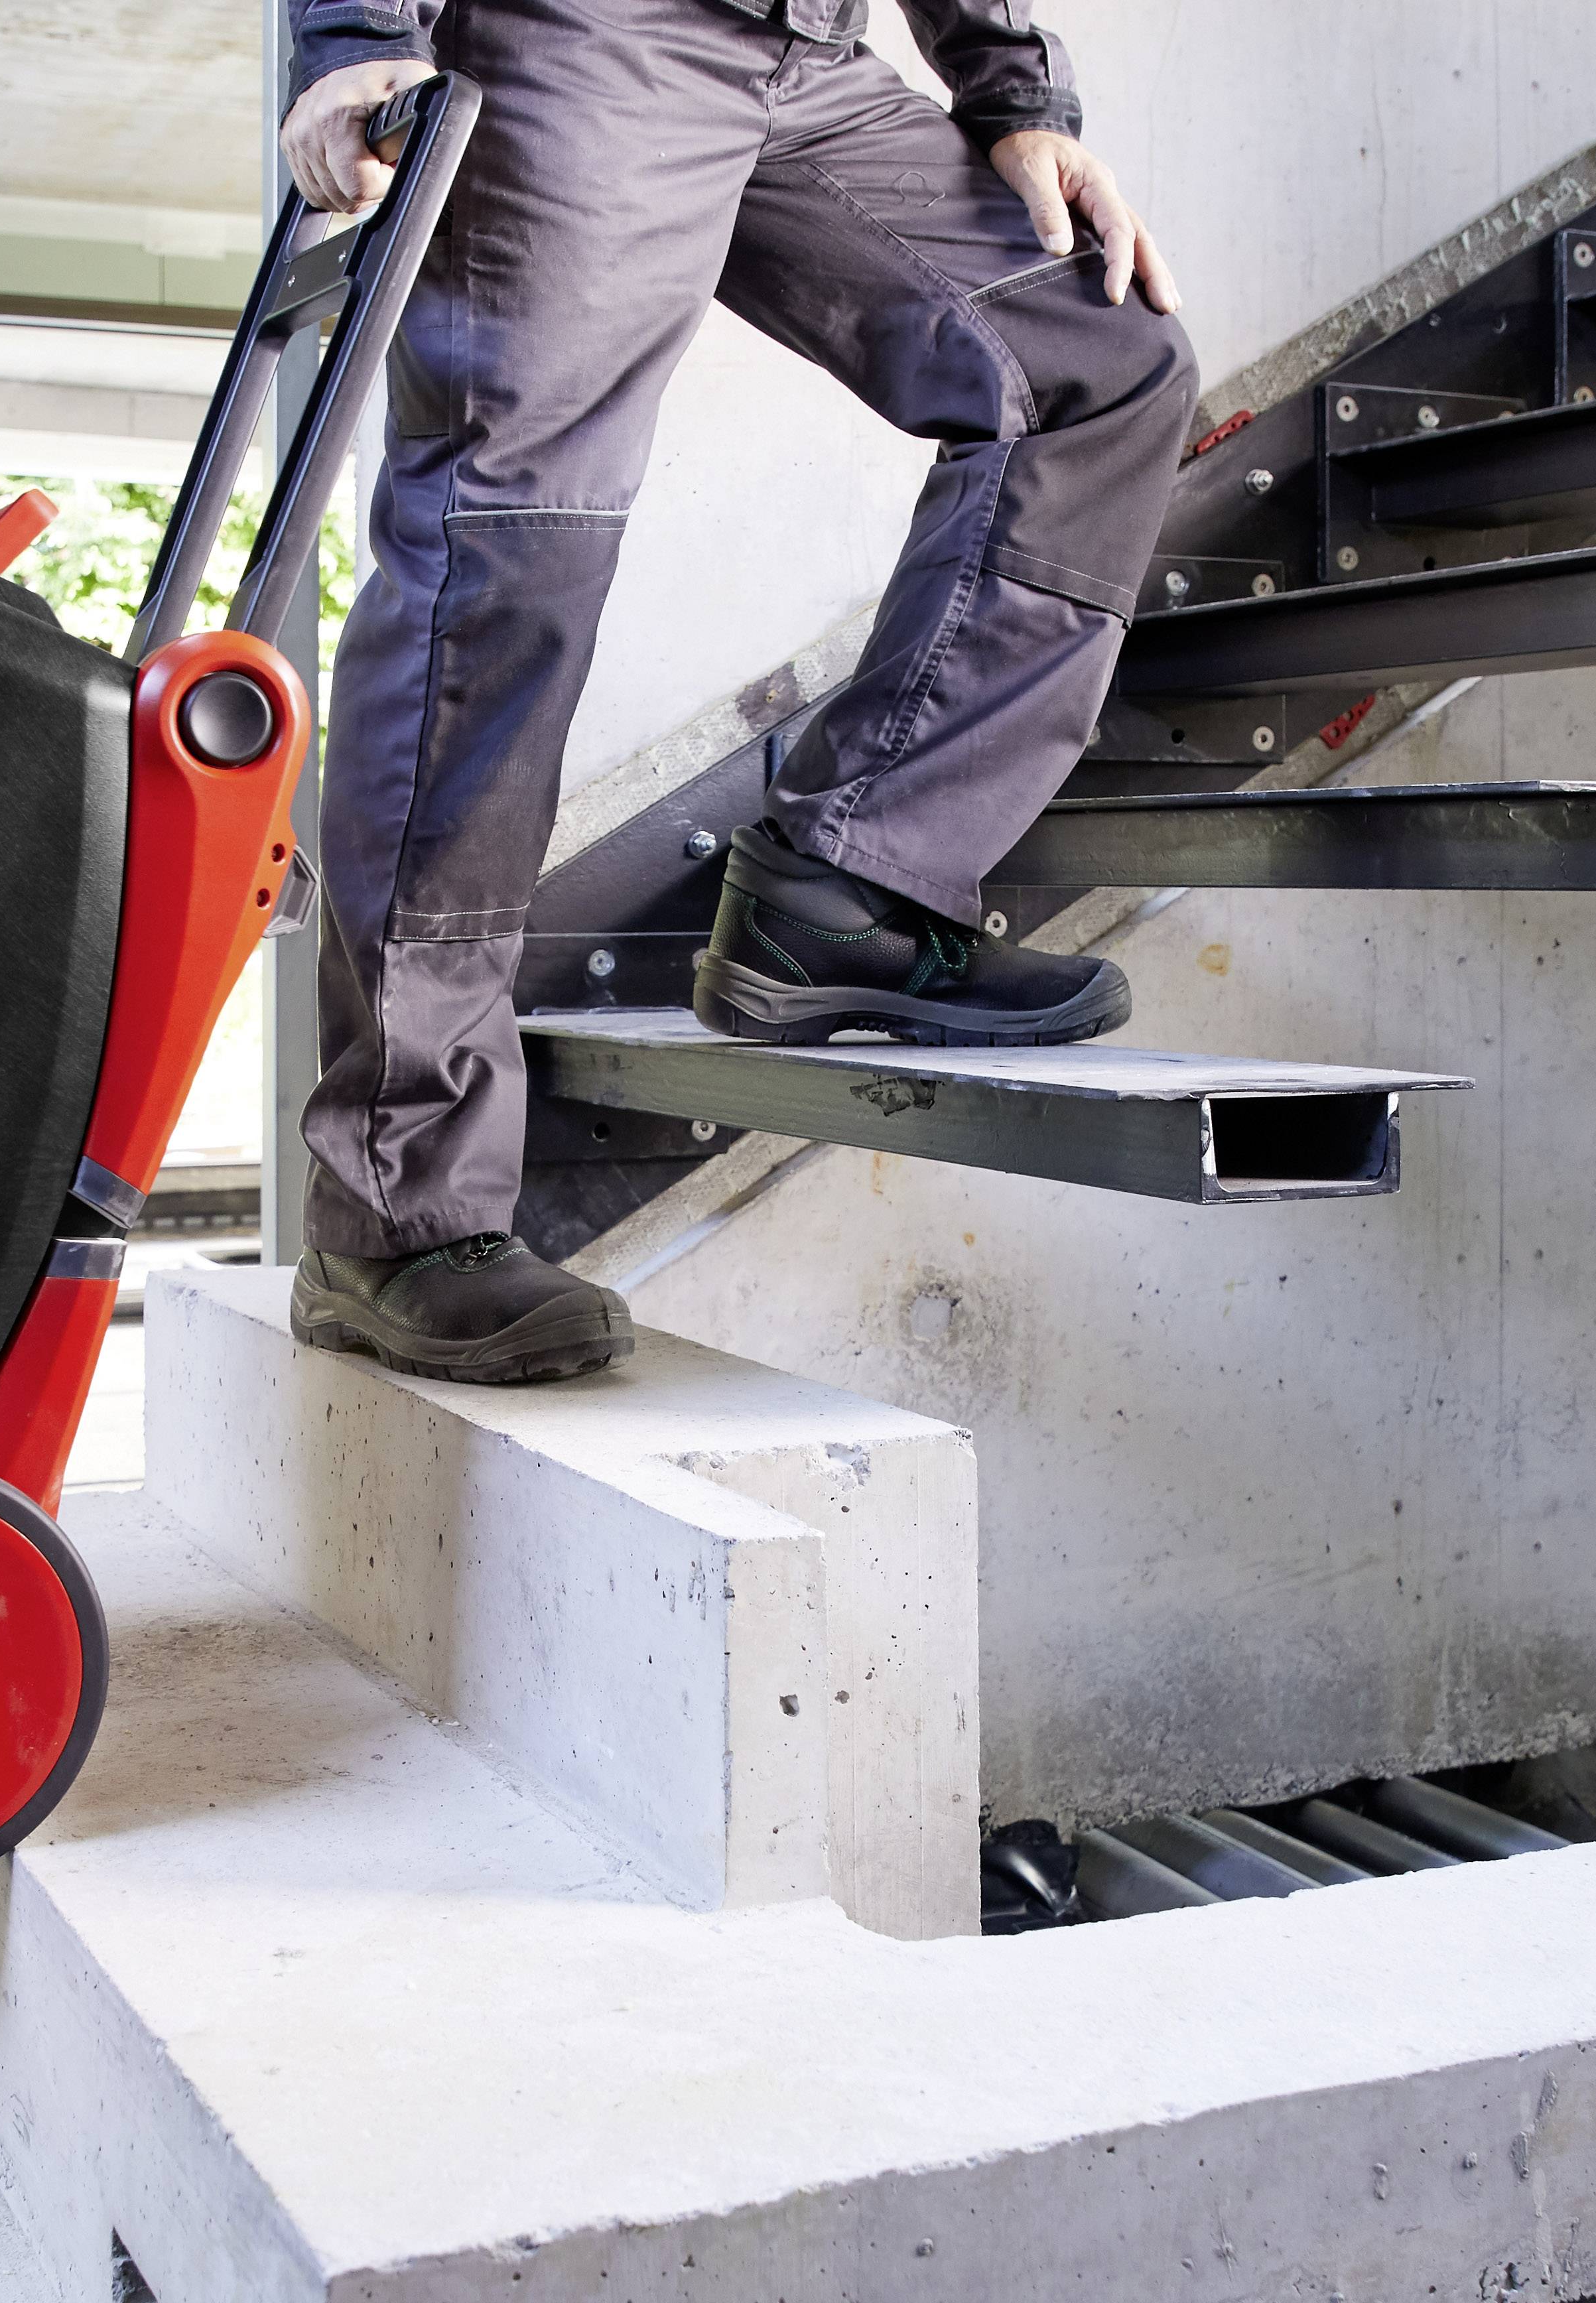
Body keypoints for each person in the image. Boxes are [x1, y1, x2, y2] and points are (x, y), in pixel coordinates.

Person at [276, 0, 1197, 1387]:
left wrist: (1017, 101)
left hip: (811, 55)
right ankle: (400, 1205)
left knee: (1106, 365)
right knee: (509, 547)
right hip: (578, 36)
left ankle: (851, 890)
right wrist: (354, 32)